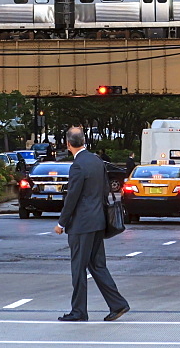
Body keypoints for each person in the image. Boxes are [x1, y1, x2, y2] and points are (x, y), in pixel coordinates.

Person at [54, 126, 130, 323]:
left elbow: (72, 196)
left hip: (82, 224)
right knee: (98, 265)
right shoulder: (97, 161)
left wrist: (62, 222)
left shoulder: (78, 166)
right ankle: (117, 304)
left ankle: (79, 311)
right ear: (84, 141)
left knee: (78, 268)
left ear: (68, 143)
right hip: (98, 221)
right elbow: (105, 190)